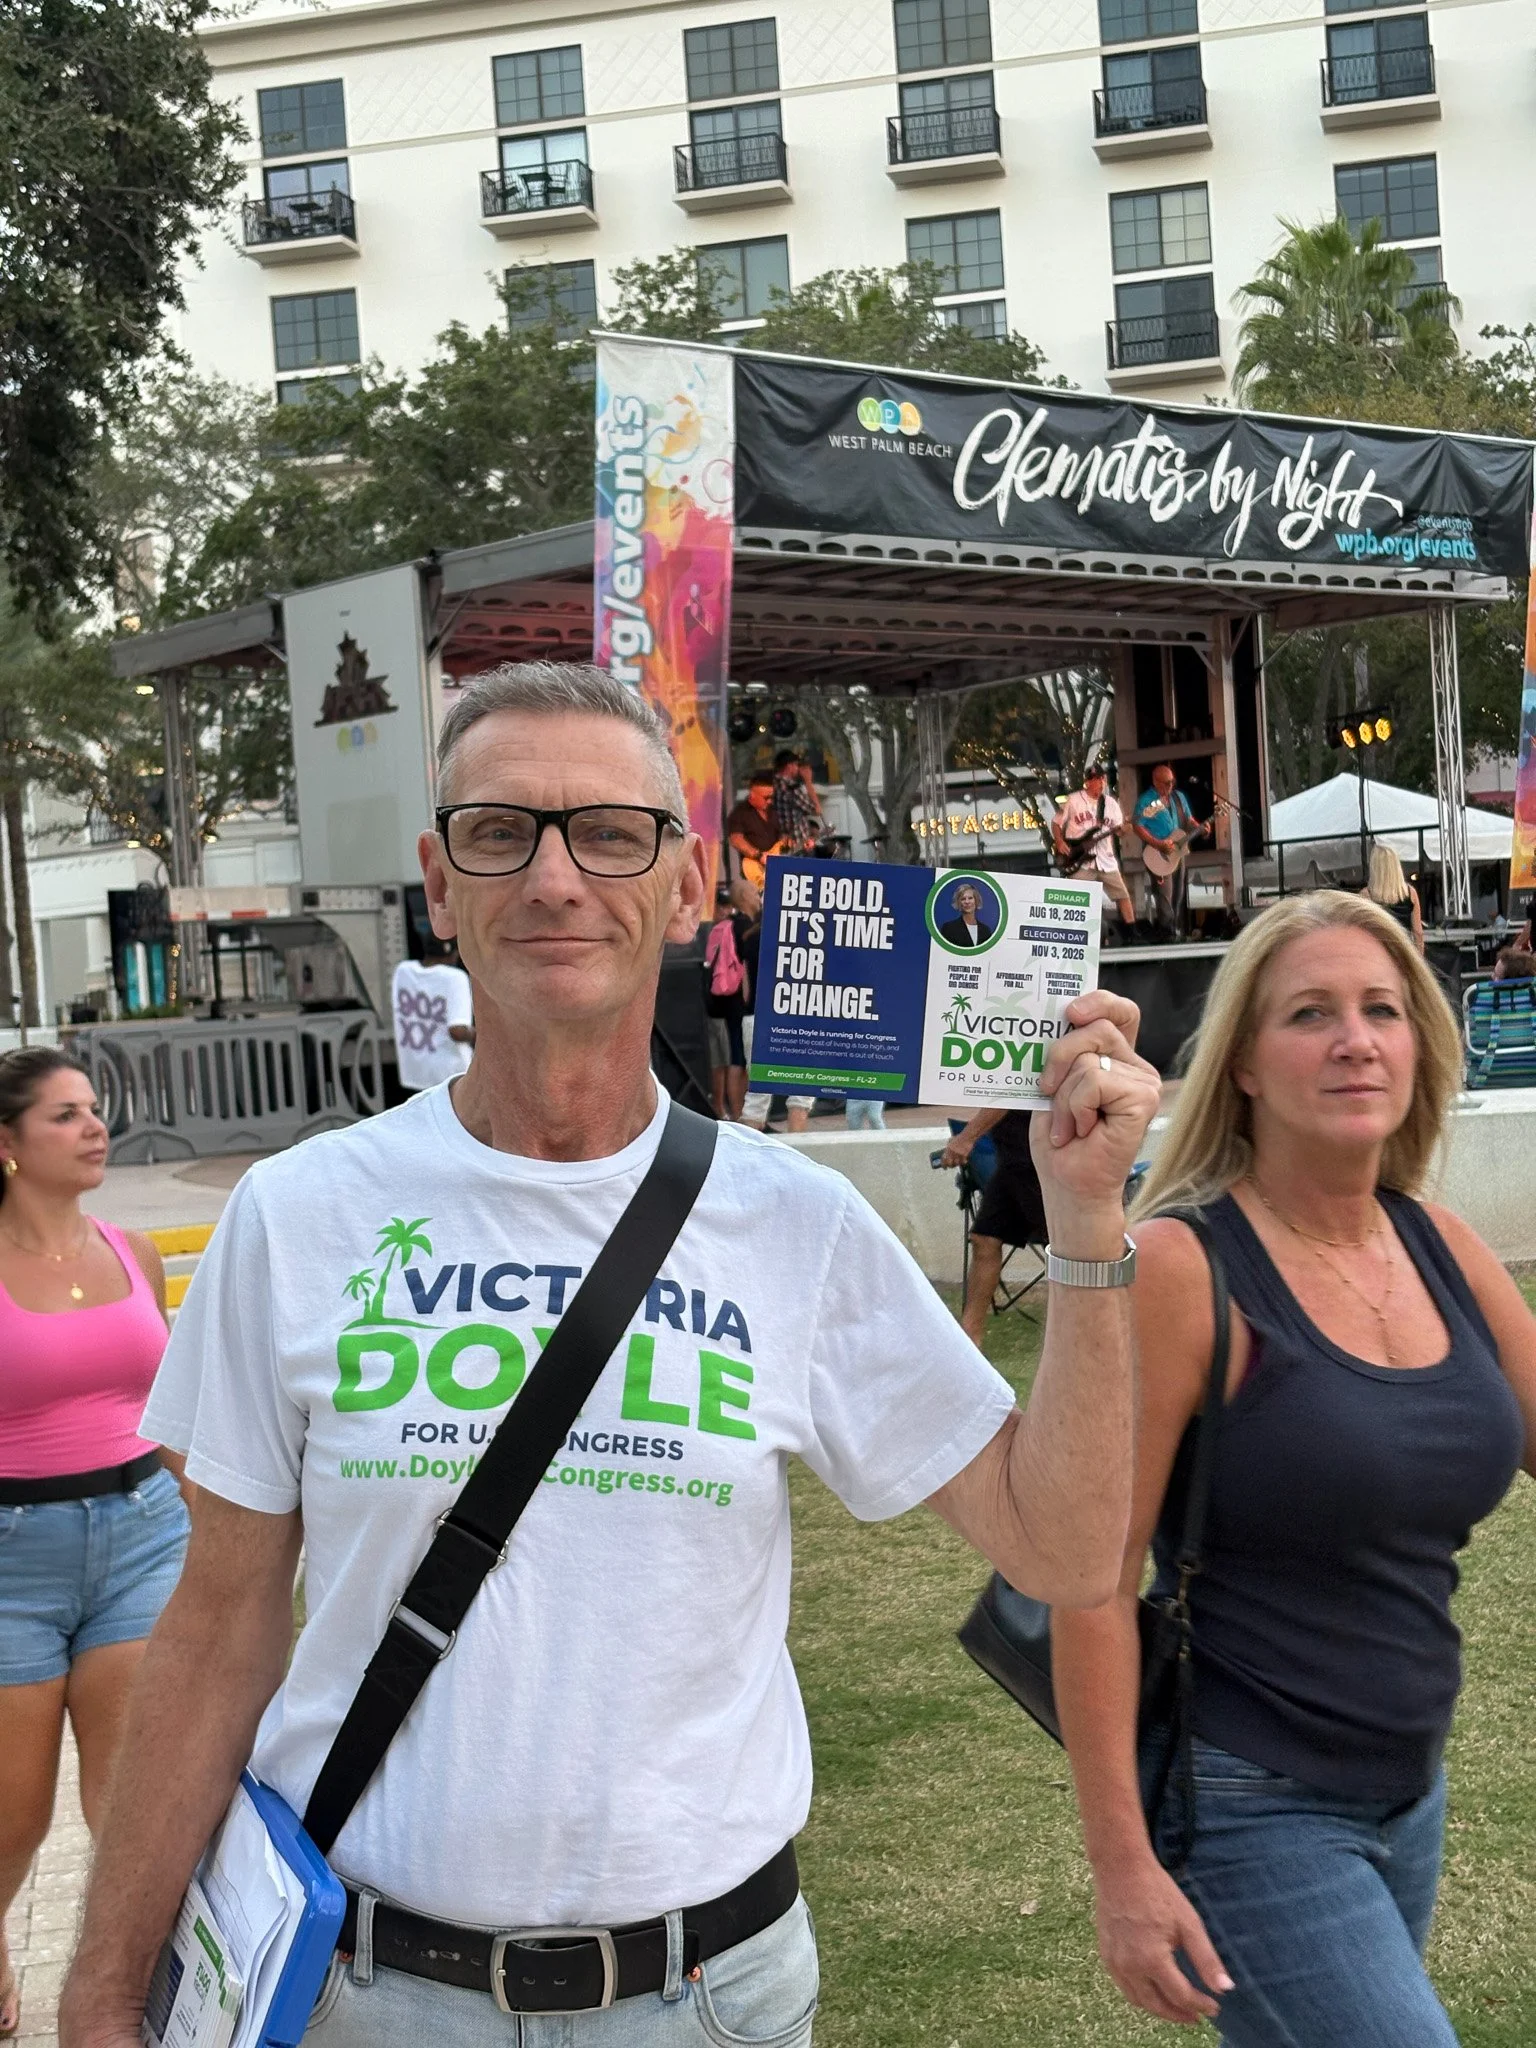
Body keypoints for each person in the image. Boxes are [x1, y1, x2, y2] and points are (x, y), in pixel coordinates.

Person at [61, 659, 1159, 2048]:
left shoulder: (794, 1223)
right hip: (373, 1999)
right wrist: (103, 1992)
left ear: (689, 887)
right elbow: (218, 1624)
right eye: (501, 832)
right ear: (440, 881)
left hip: (709, 2000)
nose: (556, 879)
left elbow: (1062, 1553)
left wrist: (1085, 1223)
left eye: (610, 833)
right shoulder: (300, 1214)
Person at [1051, 891, 1535, 2048]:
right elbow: (1089, 1577)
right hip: (1249, 1804)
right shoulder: (1182, 1268)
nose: (1355, 1038)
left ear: (1421, 1042)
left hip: (1408, 1788)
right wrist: (1123, 1866)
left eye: (1382, 1008)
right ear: (1247, 1067)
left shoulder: (1438, 1243)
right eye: (1310, 1013)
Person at [0, 1049, 188, 2043]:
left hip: (144, 1536)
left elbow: (167, 1413)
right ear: (8, 1145)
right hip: (11, 1560)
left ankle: (123, 1998)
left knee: (128, 1806)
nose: (93, 1126)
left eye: (93, 1108)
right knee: (13, 1818)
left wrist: (226, 1546)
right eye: (64, 1114)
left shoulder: (135, 1250)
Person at [942, 1110, 1049, 1344]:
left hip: (1043, 1154)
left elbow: (1008, 1094)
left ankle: (1089, 1325)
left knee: (1068, 1250)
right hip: (1013, 1158)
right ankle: (968, 1341)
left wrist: (967, 1137)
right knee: (985, 1238)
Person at [733, 877, 817, 1136]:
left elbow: (746, 985)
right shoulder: (798, 939)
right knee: (800, 1096)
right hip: (792, 1019)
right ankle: (798, 1160)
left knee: (756, 1101)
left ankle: (746, 1163)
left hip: (756, 1018)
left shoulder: (750, 938)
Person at [1055, 764, 1137, 936]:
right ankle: (1073, 932)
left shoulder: (1111, 803)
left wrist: (1127, 828)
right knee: (1074, 898)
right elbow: (1056, 822)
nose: (1098, 782)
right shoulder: (1073, 800)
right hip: (1081, 859)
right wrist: (1060, 841)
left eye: (1101, 779)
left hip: (1105, 858)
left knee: (1122, 894)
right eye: (1094, 779)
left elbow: (1120, 831)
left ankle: (1131, 931)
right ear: (1087, 782)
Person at [1132, 764, 1208, 940]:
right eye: (1165, 783)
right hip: (1157, 853)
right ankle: (1166, 931)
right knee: (1164, 894)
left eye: (1171, 782)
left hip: (1177, 851)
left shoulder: (1178, 797)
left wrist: (1200, 828)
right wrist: (1157, 843)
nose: (1169, 786)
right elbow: (1138, 826)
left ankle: (1176, 929)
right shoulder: (1147, 801)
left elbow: (1188, 820)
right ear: (1155, 781)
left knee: (1178, 892)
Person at [390, 936, 474, 1092]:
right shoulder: (455, 978)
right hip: (451, 1075)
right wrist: (482, 1035)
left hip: (415, 1074)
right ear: (454, 953)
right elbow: (457, 1031)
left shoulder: (403, 970)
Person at [703, 887, 748, 1119]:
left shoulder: (712, 931)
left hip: (715, 999)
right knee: (735, 1058)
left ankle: (724, 1109)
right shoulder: (737, 926)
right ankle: (737, 1112)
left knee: (725, 1058)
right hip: (734, 999)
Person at [725, 769, 789, 889]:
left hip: (774, 867)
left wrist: (795, 844)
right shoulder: (740, 813)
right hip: (754, 870)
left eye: (771, 797)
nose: (769, 801)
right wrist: (759, 856)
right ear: (752, 795)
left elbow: (781, 840)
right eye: (766, 797)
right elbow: (736, 840)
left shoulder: (773, 813)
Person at [1363, 842, 1424, 955]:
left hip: (1379, 955)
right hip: (1404, 954)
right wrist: (1419, 960)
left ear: (1374, 867)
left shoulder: (1366, 895)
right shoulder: (1410, 893)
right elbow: (1418, 932)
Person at [771, 750, 822, 855]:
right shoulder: (791, 787)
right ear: (789, 766)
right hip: (797, 846)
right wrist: (808, 781)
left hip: (779, 844)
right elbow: (816, 810)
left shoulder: (770, 785)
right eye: (796, 765)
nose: (798, 768)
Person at [938, 882, 996, 949]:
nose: (967, 902)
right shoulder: (949, 928)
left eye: (970, 898)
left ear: (976, 901)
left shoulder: (985, 930)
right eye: (963, 899)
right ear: (959, 903)